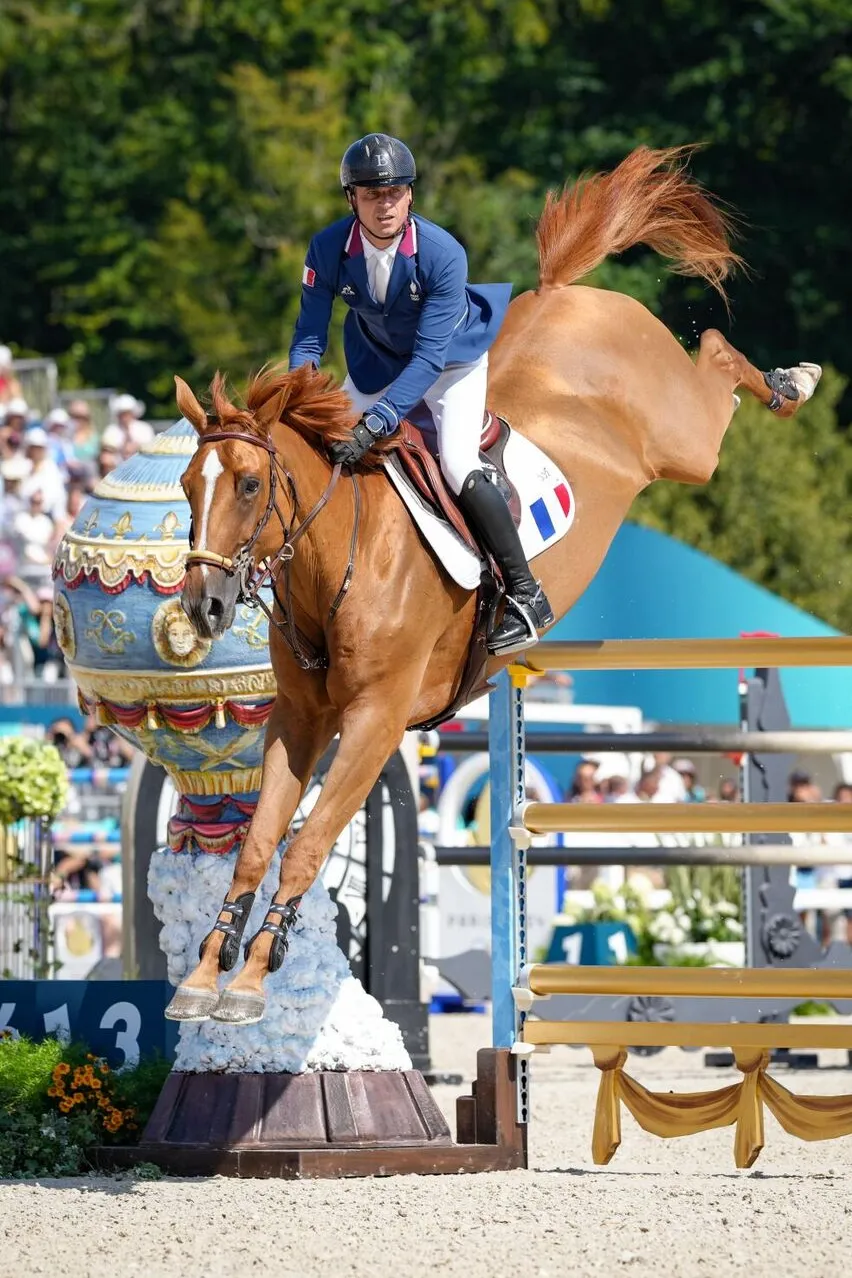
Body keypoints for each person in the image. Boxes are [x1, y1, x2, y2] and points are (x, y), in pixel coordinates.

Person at [289, 133, 553, 655]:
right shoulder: (326, 248)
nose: (383, 205)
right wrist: (296, 397)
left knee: (456, 462)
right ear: (352, 200)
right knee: (316, 450)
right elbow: (310, 337)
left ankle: (526, 592)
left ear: (410, 195)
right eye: (371, 194)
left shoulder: (442, 253)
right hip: (376, 358)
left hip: (450, 360)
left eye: (393, 193)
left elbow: (429, 359)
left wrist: (376, 422)